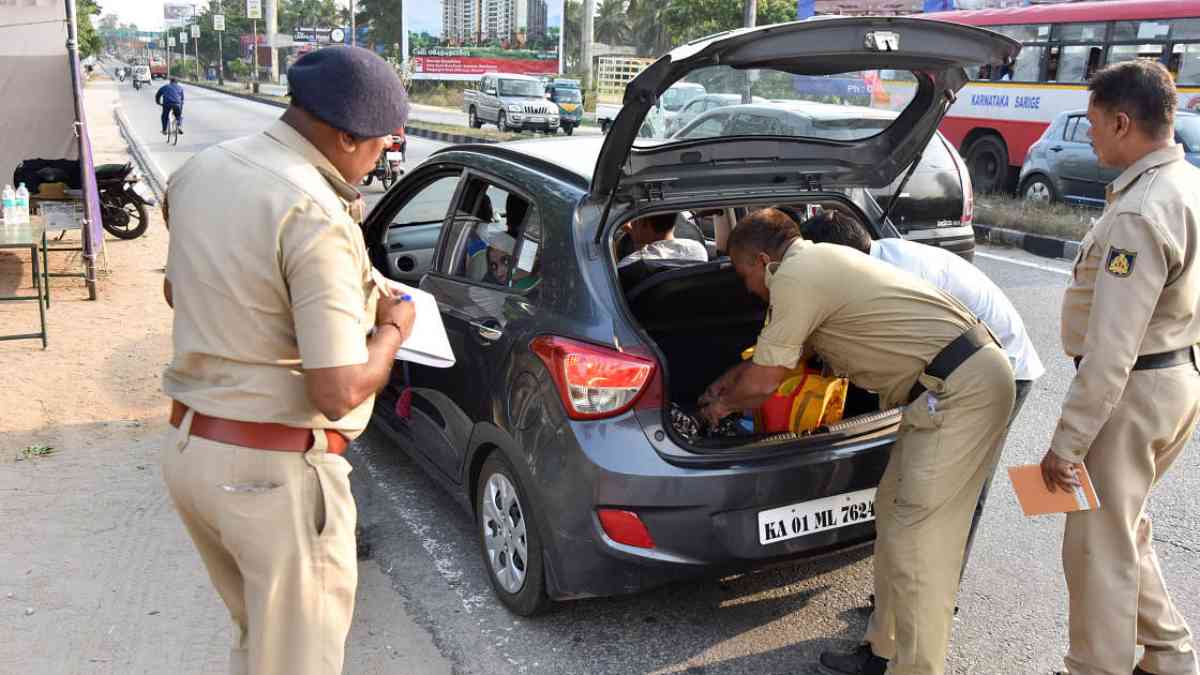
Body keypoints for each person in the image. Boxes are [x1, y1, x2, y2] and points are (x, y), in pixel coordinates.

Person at [160, 47, 413, 674]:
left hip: (192, 450)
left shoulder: (204, 169)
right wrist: (391, 331)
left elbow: (178, 288)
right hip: (273, 474)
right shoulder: (314, 213)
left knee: (260, 644)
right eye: (382, 143)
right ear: (346, 134)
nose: (385, 154)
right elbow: (337, 391)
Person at [698, 209, 1015, 675]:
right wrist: (724, 384)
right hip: (939, 391)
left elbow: (765, 381)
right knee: (891, 510)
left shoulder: (797, 277)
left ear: (763, 259)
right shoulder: (814, 266)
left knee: (920, 543)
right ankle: (881, 651)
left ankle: (916, 669)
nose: (746, 287)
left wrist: (720, 407)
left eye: (744, 273)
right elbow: (771, 359)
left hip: (960, 389)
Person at [1039, 60, 1200, 675]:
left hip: (1131, 391)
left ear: (1122, 121)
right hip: (1171, 379)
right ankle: (1168, 655)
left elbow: (1111, 348)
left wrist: (1067, 443)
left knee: (1096, 548)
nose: (1092, 136)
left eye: (1095, 124)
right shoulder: (1182, 184)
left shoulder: (1140, 209)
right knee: (1123, 530)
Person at [798, 210, 1045, 575]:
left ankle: (940, 594)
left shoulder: (900, 279)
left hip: (1001, 368)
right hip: (955, 368)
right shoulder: (876, 262)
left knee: (960, 486)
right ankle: (907, 592)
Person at [618, 212, 708, 267]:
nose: (631, 224)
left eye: (633, 220)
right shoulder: (697, 249)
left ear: (647, 224)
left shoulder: (629, 264)